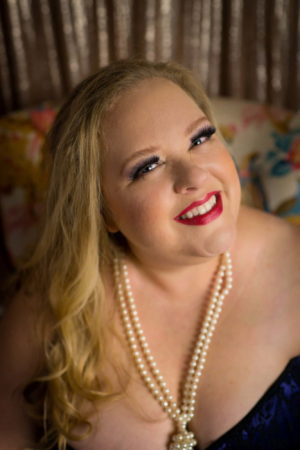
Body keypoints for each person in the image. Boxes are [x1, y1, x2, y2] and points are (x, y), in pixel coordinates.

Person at [1, 59, 300, 450]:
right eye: (147, 167)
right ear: (104, 210)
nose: (195, 177)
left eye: (200, 138)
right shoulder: (50, 304)